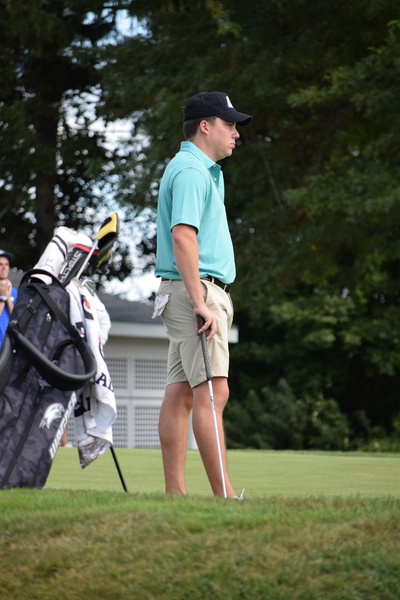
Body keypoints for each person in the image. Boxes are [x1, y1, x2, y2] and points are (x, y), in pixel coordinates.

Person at [153, 91, 252, 497]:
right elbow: (183, 237)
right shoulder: (193, 171)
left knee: (181, 394)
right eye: (229, 125)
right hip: (197, 292)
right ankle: (225, 497)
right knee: (214, 392)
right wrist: (199, 302)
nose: (236, 133)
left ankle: (176, 497)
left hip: (187, 292)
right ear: (206, 126)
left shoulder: (197, 169)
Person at [0, 249, 18, 349]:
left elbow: (17, 319)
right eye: (0, 264)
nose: (4, 268)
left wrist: (8, 298)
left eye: (6, 264)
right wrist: (2, 298)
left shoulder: (14, 291)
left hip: (10, 347)